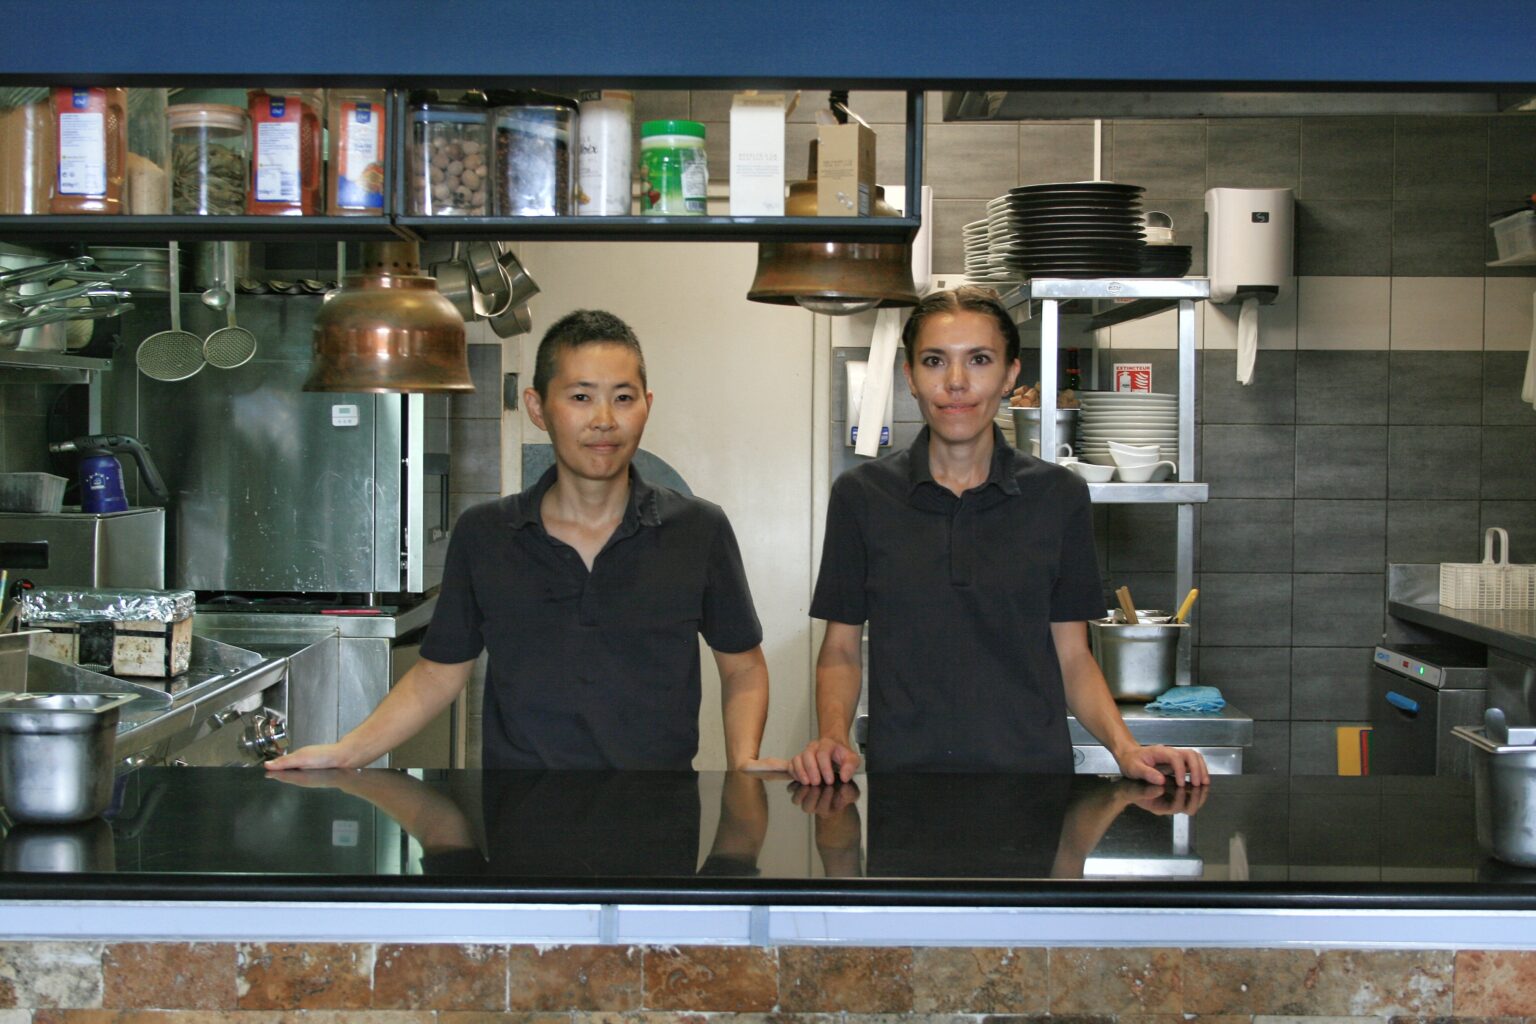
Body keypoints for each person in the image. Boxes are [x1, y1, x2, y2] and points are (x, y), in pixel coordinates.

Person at [269, 309, 786, 772]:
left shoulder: (699, 529)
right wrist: (348, 751)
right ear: (538, 407)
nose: (604, 420)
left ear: (646, 406)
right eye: (581, 397)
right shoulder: (486, 534)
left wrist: (744, 762)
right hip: (517, 813)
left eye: (623, 398)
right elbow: (437, 675)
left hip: (660, 816)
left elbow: (743, 668)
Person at [789, 286, 1209, 787]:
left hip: (1034, 785)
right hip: (902, 785)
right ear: (911, 377)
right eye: (934, 361)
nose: (956, 382)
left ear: (1010, 375)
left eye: (980, 360)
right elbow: (840, 650)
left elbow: (1073, 656)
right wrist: (833, 735)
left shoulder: (1059, 497)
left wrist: (1126, 749)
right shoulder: (862, 495)